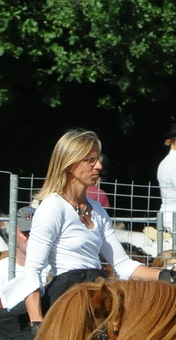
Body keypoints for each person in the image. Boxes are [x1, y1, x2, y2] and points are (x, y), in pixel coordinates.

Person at [24, 130, 160, 323]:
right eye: (90, 160)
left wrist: (164, 275)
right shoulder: (53, 207)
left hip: (96, 294)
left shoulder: (97, 210)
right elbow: (33, 270)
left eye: (98, 159)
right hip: (67, 300)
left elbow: (123, 265)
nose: (99, 166)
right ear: (70, 164)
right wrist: (37, 322)